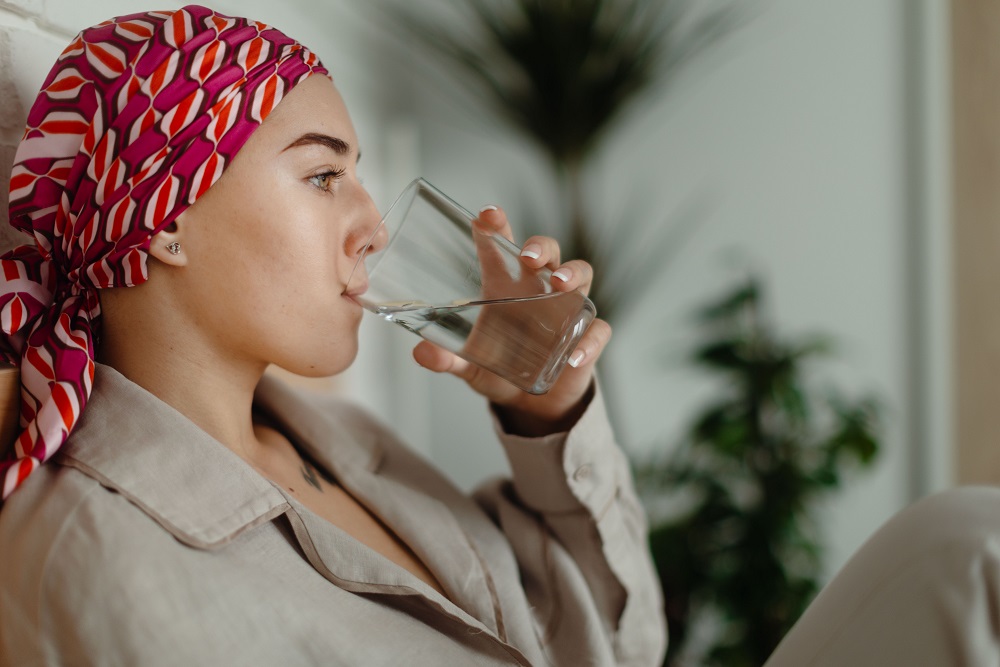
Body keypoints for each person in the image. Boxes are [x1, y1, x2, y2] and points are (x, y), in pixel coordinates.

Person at [0, 6, 666, 666]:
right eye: (323, 176)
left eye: (358, 175)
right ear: (165, 218)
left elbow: (618, 646)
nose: (375, 226)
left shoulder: (350, 434)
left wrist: (546, 408)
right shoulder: (96, 557)